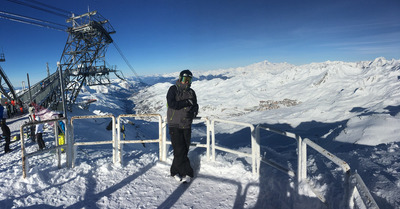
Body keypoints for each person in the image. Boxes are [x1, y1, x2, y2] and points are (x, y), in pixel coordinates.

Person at [166, 69, 199, 183]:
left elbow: (195, 105)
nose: (186, 82)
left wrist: (194, 111)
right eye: (185, 79)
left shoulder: (191, 92)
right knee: (179, 149)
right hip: (174, 124)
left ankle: (174, 171)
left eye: (189, 79)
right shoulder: (173, 89)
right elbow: (172, 104)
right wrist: (186, 102)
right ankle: (187, 172)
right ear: (180, 78)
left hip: (186, 124)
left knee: (184, 149)